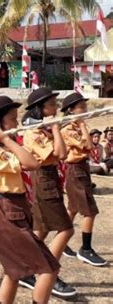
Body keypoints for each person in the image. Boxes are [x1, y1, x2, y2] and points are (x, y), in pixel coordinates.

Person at [0, 95, 59, 303]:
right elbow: (32, 163)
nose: (17, 123)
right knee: (49, 269)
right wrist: (6, 139)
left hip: (14, 207)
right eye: (13, 119)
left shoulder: (6, 148)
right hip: (7, 210)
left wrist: (9, 141)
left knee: (13, 272)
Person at [20, 88, 77, 297]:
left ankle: (26, 270)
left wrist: (53, 129)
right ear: (40, 109)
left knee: (41, 230)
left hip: (50, 178)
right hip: (44, 179)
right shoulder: (34, 133)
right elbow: (61, 154)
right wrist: (55, 129)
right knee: (66, 230)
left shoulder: (43, 129)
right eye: (52, 105)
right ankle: (48, 272)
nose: (56, 108)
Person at [60, 92, 107, 266]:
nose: (85, 110)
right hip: (75, 169)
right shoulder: (68, 130)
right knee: (90, 211)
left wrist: (82, 125)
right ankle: (85, 249)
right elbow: (88, 145)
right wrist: (81, 124)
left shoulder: (80, 127)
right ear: (71, 110)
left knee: (72, 208)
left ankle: (62, 243)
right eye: (81, 107)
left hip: (82, 168)